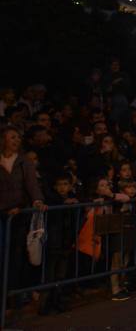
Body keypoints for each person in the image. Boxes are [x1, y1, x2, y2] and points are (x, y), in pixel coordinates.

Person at [0, 126, 46, 307]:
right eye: (12, 137)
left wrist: (37, 200)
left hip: (19, 214)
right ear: (3, 140)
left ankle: (13, 293)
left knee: (16, 255)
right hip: (2, 213)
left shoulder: (23, 161)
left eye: (18, 138)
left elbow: (32, 185)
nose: (16, 141)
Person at [38, 172, 79, 315]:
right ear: (55, 186)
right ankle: (44, 305)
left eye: (65, 184)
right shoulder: (52, 199)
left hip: (65, 242)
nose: (62, 188)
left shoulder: (72, 200)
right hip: (54, 242)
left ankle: (57, 301)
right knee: (50, 275)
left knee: (61, 274)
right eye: (60, 185)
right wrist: (63, 203)